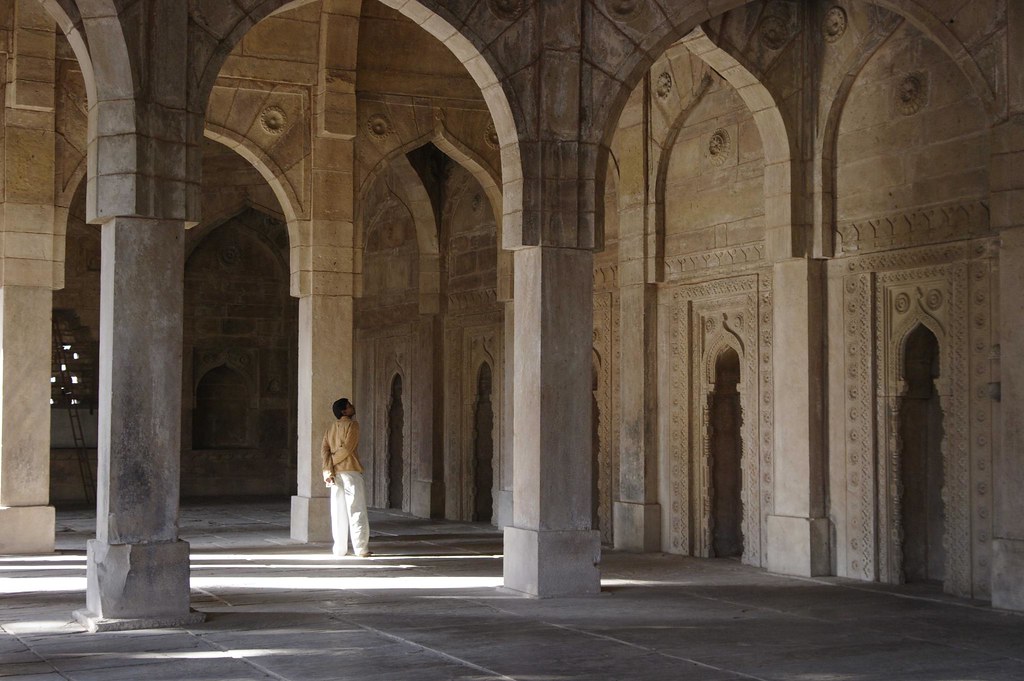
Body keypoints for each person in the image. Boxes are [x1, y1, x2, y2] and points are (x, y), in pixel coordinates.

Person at [321, 398, 371, 557]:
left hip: (335, 473)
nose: (352, 407)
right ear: (344, 411)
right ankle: (361, 549)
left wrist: (328, 468)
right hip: (350, 472)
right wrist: (331, 465)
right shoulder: (353, 425)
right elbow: (347, 449)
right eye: (349, 406)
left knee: (338, 512)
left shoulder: (331, 428)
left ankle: (340, 549)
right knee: (356, 509)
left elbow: (324, 450)